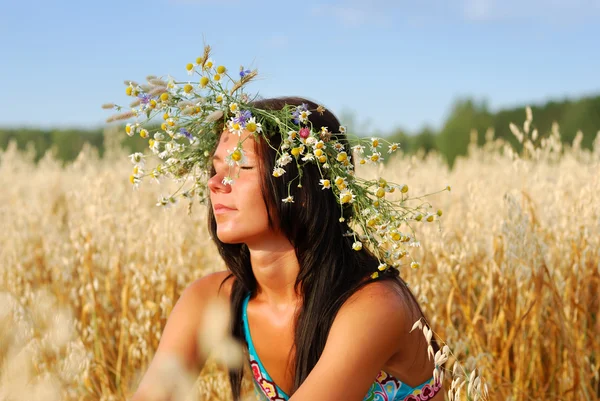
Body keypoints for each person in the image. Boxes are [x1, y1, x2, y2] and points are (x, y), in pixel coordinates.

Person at [130, 96, 444, 401]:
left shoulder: (376, 306)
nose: (215, 183)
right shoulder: (212, 299)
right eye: (216, 168)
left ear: (303, 187)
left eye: (241, 167)